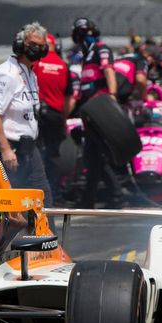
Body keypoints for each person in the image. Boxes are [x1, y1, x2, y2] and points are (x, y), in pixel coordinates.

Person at [0, 22, 53, 207]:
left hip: (30, 148)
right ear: (21, 44)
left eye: (41, 46)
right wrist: (6, 149)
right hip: (9, 150)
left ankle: (48, 236)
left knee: (42, 200)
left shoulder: (31, 74)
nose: (36, 50)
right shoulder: (6, 73)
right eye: (32, 45)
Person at [62, 17, 125, 208]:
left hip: (100, 108)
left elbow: (109, 71)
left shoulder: (101, 49)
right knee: (93, 155)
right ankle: (93, 197)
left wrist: (112, 96)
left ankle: (113, 194)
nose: (84, 37)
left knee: (96, 153)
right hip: (89, 109)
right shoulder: (86, 54)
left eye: (85, 33)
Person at [33, 33, 73, 205]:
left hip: (37, 115)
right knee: (54, 155)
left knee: (36, 154)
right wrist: (63, 118)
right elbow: (69, 98)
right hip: (56, 115)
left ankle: (35, 194)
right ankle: (54, 194)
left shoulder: (35, 63)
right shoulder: (63, 66)